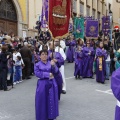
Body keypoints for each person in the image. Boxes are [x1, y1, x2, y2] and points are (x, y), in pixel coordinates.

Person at [34, 50, 59, 120]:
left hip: (51, 83)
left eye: (45, 54)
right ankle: (42, 117)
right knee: (42, 100)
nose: (44, 55)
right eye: (42, 54)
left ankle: (51, 116)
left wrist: (53, 65)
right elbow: (37, 73)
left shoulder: (50, 63)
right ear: (40, 56)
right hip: (42, 84)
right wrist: (47, 74)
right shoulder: (37, 64)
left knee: (51, 99)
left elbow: (56, 72)